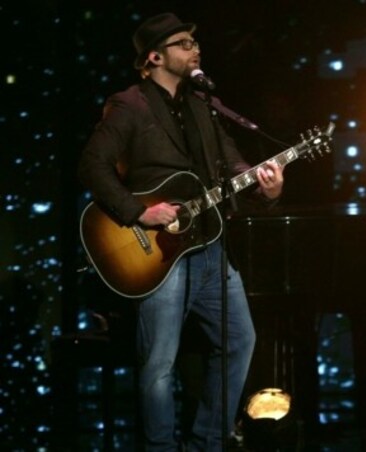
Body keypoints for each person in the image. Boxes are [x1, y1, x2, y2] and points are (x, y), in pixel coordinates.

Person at [78, 13, 284, 450]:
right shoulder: (129, 104)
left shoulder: (202, 104)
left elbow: (232, 164)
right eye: (183, 43)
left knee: (240, 341)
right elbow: (92, 166)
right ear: (154, 57)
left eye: (195, 41)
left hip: (209, 247)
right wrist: (138, 212)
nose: (195, 49)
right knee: (158, 364)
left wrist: (266, 185)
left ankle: (207, 443)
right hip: (158, 253)